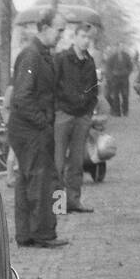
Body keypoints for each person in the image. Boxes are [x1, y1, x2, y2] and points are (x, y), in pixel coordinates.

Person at [8, 9, 68, 248]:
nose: (61, 36)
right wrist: (43, 123)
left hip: (27, 128)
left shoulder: (39, 55)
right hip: (30, 130)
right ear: (44, 28)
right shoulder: (32, 57)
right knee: (40, 182)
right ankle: (43, 233)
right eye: (59, 30)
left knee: (26, 182)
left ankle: (26, 234)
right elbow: (22, 97)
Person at [54, 20, 99, 214]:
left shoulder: (89, 62)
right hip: (63, 115)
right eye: (82, 36)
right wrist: (58, 109)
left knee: (77, 162)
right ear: (74, 37)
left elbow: (94, 90)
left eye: (89, 37)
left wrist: (88, 113)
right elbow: (53, 85)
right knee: (58, 162)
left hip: (82, 118)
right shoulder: (61, 59)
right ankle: (57, 204)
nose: (86, 41)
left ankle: (74, 201)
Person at [104, 42, 133, 115]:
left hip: (124, 78)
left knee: (125, 95)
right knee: (116, 96)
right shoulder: (112, 57)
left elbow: (130, 66)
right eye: (119, 46)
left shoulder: (126, 56)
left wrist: (127, 73)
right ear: (117, 47)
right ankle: (117, 112)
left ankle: (125, 111)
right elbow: (108, 67)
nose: (121, 48)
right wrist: (111, 76)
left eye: (122, 46)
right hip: (115, 79)